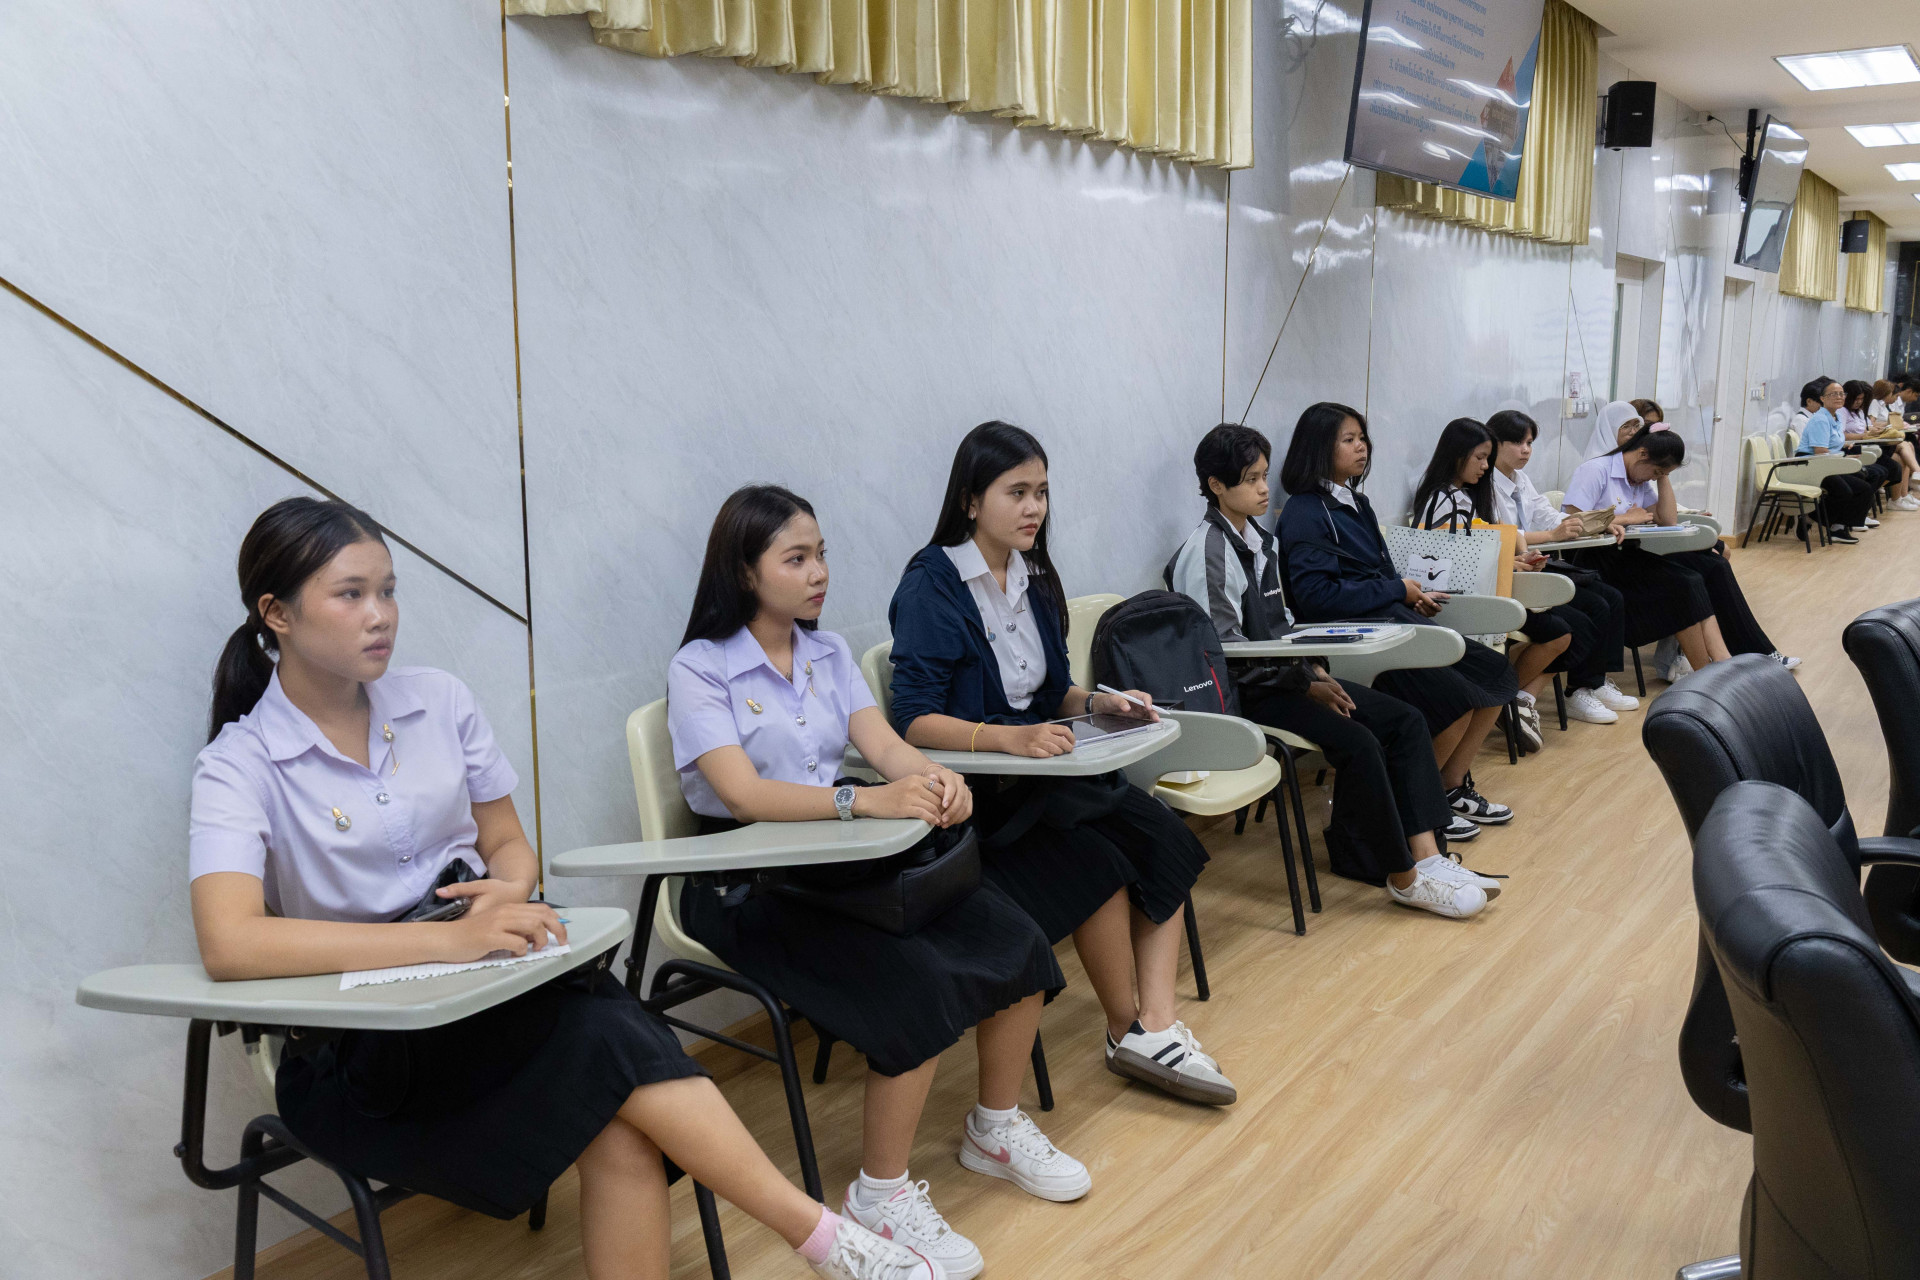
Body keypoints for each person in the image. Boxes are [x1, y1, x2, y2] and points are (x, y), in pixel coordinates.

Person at [189, 498, 935, 1280]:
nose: (382, 615)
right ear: (276, 614)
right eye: (351, 594)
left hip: (492, 989)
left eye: (389, 590)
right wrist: (444, 941)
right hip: (366, 1048)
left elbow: (509, 846)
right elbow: (230, 943)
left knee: (616, 1105)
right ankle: (823, 1238)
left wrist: (509, 890)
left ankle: (827, 1241)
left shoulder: (438, 701)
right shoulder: (239, 764)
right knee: (611, 1047)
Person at [668, 485, 1086, 1280]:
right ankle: (879, 1194)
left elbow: (887, 748)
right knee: (914, 986)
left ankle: (994, 1129)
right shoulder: (701, 667)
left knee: (1017, 940)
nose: (819, 572)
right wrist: (863, 802)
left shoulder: (827, 654)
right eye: (796, 558)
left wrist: (934, 779)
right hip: (746, 882)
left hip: (846, 859)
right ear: (745, 571)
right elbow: (743, 797)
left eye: (821, 554)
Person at [887, 422, 1237, 1107]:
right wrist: (1006, 741)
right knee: (1096, 857)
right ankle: (1125, 1028)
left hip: (1051, 773)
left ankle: (1155, 1024)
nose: (1034, 508)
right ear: (970, 500)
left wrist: (1102, 702)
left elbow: (1051, 694)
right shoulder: (932, 584)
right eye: (1016, 492)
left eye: (1042, 492)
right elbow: (913, 721)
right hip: (987, 790)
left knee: (1163, 835)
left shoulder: (1035, 576)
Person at [1167, 423, 1494, 917]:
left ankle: (1429, 858)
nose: (1263, 489)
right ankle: (1403, 877)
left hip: (1286, 678)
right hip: (1244, 695)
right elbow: (1224, 656)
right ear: (1216, 485)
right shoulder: (1209, 553)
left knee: (1405, 720)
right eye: (1251, 479)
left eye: (1264, 476)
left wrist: (1316, 671)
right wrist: (1307, 682)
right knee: (1360, 740)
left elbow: (1284, 627)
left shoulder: (1261, 541)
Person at [1273, 402, 1519, 828]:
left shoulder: (1357, 502)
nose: (1362, 447)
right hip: (1357, 638)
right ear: (1318, 448)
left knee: (1495, 672)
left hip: (1393, 621)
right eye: (1349, 440)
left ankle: (1449, 788)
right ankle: (1416, 809)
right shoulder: (1306, 511)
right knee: (1456, 698)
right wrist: (1395, 591)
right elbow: (1315, 598)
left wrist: (1410, 595)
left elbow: (1384, 572)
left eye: (1362, 438)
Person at [1408, 416, 1572, 752]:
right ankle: (1509, 702)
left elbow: (1477, 552)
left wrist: (1515, 561)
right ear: (1457, 456)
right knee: (1556, 633)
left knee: (1570, 624)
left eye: (1487, 458)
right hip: (1453, 603)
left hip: (1479, 593)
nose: (1486, 466)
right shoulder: (1443, 500)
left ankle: (1513, 702)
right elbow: (1448, 563)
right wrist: (1509, 563)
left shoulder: (1464, 497)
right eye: (1480, 458)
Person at [1483, 409, 1639, 725]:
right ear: (1494, 443)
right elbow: (1502, 535)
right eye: (1518, 443)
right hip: (1511, 572)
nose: (1526, 450)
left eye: (1530, 443)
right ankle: (1574, 690)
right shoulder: (1482, 485)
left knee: (1609, 598)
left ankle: (1590, 684)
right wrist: (1553, 535)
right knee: (1586, 614)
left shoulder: (1520, 479)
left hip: (1535, 565)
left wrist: (1594, 524)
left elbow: (1548, 516)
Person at [1627, 399, 1799, 676]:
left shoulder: (1644, 472)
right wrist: (1630, 517)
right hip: (1637, 552)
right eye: (1640, 427)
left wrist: (1667, 480)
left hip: (1655, 542)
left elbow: (1665, 515)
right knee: (1702, 570)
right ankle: (1714, 657)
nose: (1647, 434)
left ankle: (1742, 652)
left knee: (1717, 557)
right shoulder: (1608, 469)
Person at [1559, 427, 1730, 677]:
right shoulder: (1596, 470)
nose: (1653, 478)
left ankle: (1721, 663)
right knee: (1681, 586)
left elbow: (1668, 520)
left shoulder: (1638, 478)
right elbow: (1571, 520)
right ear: (1641, 454)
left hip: (1626, 555)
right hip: (1593, 558)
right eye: (1656, 471)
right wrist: (1625, 518)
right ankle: (1707, 673)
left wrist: (1663, 477)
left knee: (1692, 580)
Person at [1794, 377, 1878, 545]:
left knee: (1864, 486)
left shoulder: (1836, 418)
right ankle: (1820, 520)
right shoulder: (1820, 419)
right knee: (1845, 491)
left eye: (1841, 394)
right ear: (1823, 398)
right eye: (1833, 394)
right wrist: (1844, 458)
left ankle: (1834, 525)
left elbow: (1833, 445)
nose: (1839, 397)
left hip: (1829, 464)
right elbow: (1820, 452)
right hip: (1812, 465)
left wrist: (1845, 448)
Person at [1843, 378, 1916, 509]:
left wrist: (1875, 430)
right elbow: (1844, 436)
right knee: (1900, 451)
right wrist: (1865, 434)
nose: (1861, 402)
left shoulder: (1859, 412)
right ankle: (1913, 478)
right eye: (1858, 399)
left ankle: (1901, 495)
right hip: (1858, 447)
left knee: (1903, 451)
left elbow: (1868, 427)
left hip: (1868, 444)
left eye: (1862, 399)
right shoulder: (1842, 412)